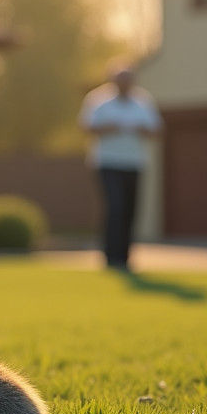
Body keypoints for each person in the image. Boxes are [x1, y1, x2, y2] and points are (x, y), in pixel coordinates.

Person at [79, 66, 162, 271]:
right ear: (113, 81)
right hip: (108, 163)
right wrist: (111, 127)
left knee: (130, 211)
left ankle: (124, 258)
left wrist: (142, 130)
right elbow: (87, 127)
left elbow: (157, 130)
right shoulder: (98, 100)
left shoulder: (143, 101)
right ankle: (110, 257)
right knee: (115, 208)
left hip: (134, 163)